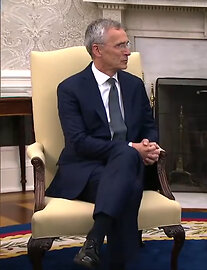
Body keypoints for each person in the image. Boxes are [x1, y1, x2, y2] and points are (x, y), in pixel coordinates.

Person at [45, 18, 162, 269]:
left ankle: (94, 242)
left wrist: (149, 146)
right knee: (128, 182)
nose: (128, 51)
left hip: (128, 167)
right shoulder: (70, 89)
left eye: (127, 44)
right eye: (120, 45)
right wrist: (132, 149)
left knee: (127, 163)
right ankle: (118, 260)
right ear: (97, 50)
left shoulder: (133, 84)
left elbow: (149, 126)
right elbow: (78, 142)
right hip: (87, 170)